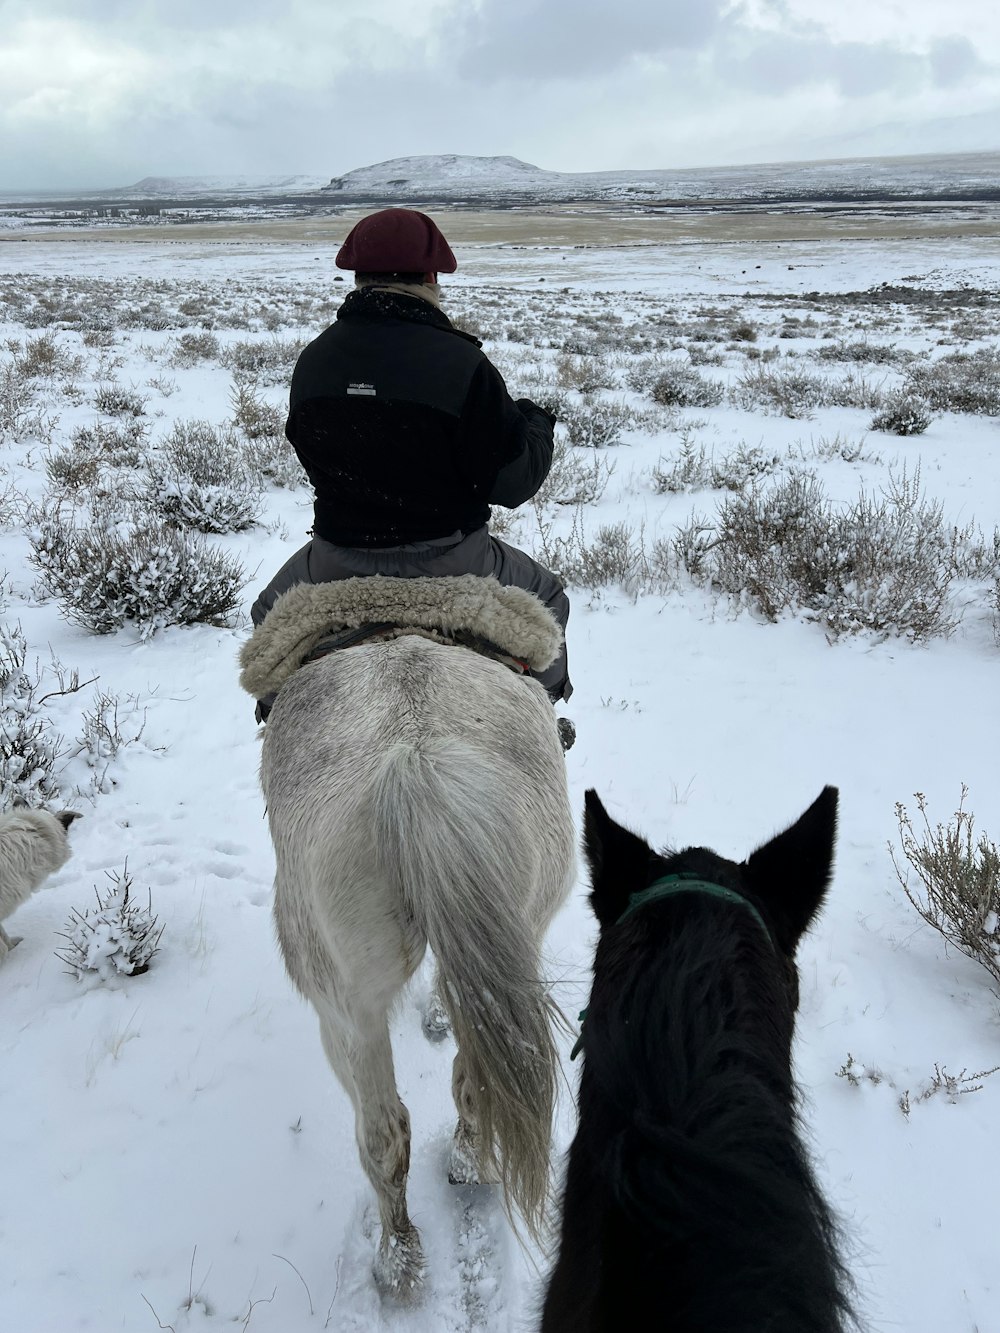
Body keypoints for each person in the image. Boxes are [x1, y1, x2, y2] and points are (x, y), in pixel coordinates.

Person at [251, 207, 574, 742]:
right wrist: (536, 424)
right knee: (548, 598)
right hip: (454, 558)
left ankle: (278, 715)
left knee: (269, 614)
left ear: (357, 278)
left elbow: (305, 446)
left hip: (335, 560)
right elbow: (513, 484)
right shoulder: (463, 364)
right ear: (431, 278)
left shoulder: (315, 360)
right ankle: (540, 719)